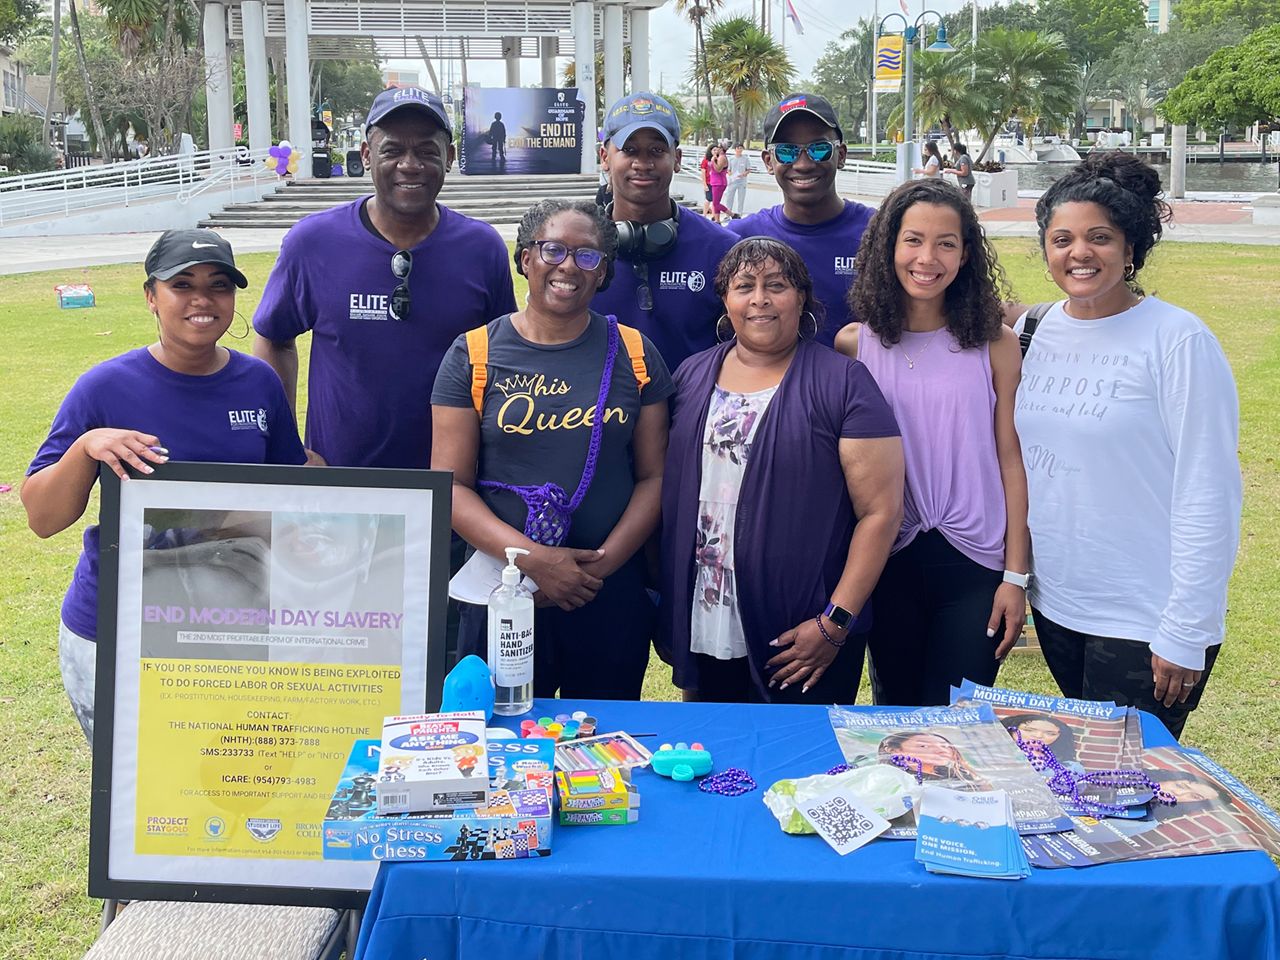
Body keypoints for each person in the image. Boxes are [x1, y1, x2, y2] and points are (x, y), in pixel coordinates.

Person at [21, 230, 308, 742]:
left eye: (219, 284)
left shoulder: (259, 382)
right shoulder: (104, 386)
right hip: (117, 626)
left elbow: (287, 488)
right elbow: (43, 519)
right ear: (152, 296)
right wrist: (86, 446)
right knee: (133, 802)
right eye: (182, 284)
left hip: (230, 620)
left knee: (222, 784)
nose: (202, 299)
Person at [1016, 152, 1241, 741]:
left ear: (1131, 247)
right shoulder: (1034, 332)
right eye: (1061, 238)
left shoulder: (1176, 340)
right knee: (1090, 781)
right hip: (1059, 607)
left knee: (1122, 792)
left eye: (1100, 238)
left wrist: (1186, 629)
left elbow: (1209, 492)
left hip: (1145, 617)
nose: (1079, 253)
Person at [431, 199, 674, 700]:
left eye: (588, 256)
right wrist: (536, 562)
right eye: (553, 250)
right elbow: (451, 488)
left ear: (603, 271)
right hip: (505, 591)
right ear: (525, 258)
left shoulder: (634, 352)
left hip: (607, 590)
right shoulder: (474, 354)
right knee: (506, 739)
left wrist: (596, 569)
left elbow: (655, 476)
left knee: (605, 747)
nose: (568, 266)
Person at [660, 237, 903, 704]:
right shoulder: (690, 376)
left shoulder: (844, 382)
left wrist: (835, 620)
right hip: (709, 616)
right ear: (725, 301)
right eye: (744, 286)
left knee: (804, 770)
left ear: (803, 299)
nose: (760, 299)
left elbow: (882, 513)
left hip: (804, 630)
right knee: (711, 756)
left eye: (777, 285)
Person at [837, 179, 1029, 707]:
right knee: (895, 719)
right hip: (888, 561)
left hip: (976, 567)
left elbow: (1012, 461)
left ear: (966, 253)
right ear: (888, 247)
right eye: (913, 240)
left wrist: (1016, 575)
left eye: (947, 243)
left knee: (957, 727)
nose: (928, 258)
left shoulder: (995, 343)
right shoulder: (855, 345)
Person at [252, 86, 516, 469]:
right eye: (392, 150)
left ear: (450, 159)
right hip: (343, 487)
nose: (410, 165)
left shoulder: (482, 248)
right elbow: (274, 338)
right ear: (366, 155)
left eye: (427, 151)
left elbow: (503, 363)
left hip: (454, 490)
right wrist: (287, 446)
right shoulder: (313, 242)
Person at [591, 92, 738, 370]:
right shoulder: (578, 249)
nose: (643, 163)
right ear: (605, 157)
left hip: (693, 411)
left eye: (657, 151)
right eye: (629, 150)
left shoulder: (723, 249)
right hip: (597, 413)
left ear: (677, 158)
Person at [728, 92, 875, 347]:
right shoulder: (740, 238)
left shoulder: (878, 233)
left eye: (819, 149)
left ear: (840, 155)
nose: (804, 164)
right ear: (768, 161)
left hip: (860, 385)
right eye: (786, 152)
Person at [876, 732, 990, 787]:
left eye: (944, 746)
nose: (941, 750)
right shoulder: (891, 780)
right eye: (923, 746)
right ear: (895, 750)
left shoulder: (958, 774)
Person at [1000, 713, 1078, 766]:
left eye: (1050, 733)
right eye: (1029, 730)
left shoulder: (1070, 766)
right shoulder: (993, 755)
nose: (1038, 736)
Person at [723, 142, 750, 218]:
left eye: (741, 148)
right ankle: (728, 213)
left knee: (741, 198)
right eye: (738, 148)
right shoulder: (731, 159)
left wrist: (744, 174)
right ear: (735, 149)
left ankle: (739, 213)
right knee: (729, 198)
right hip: (732, 181)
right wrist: (730, 173)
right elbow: (728, 170)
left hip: (742, 182)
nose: (739, 149)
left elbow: (748, 169)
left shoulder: (745, 159)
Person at [707, 145, 729, 224]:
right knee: (716, 202)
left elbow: (718, 170)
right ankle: (717, 220)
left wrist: (713, 161)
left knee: (715, 203)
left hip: (719, 182)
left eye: (718, 149)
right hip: (715, 182)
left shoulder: (722, 157)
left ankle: (732, 214)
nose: (716, 150)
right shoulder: (719, 157)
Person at [699, 145, 714, 217]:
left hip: (716, 183)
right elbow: (703, 172)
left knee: (715, 201)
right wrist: (704, 184)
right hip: (708, 182)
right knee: (708, 199)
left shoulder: (717, 159)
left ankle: (714, 216)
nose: (715, 152)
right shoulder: (705, 160)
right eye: (714, 150)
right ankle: (704, 215)